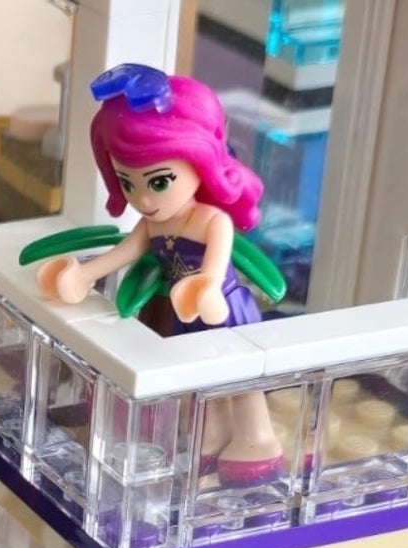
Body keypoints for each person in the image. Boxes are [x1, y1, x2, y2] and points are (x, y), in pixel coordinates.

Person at [35, 65, 284, 485]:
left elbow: (216, 267)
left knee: (242, 381)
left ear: (201, 163)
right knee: (202, 380)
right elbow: (124, 253)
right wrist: (82, 275)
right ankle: (213, 434)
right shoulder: (152, 224)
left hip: (222, 305)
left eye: (159, 181)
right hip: (185, 310)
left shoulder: (211, 221)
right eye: (127, 183)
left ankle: (258, 439)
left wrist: (206, 287)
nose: (143, 199)